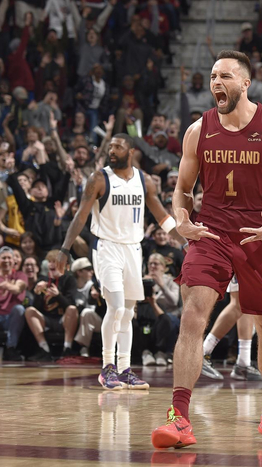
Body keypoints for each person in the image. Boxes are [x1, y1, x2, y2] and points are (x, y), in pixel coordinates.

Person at [151, 50, 262, 449]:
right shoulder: (198, 130)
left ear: (245, 83)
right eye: (214, 76)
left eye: (225, 76)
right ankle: (179, 418)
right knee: (192, 315)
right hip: (211, 235)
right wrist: (181, 217)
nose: (217, 82)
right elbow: (183, 188)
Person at [57, 132, 185, 390]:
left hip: (133, 250)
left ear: (131, 151)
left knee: (127, 313)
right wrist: (65, 249)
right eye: (111, 147)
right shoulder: (98, 179)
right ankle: (107, 367)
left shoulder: (144, 180)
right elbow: (81, 216)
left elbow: (161, 216)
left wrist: (185, 242)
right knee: (115, 307)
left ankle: (125, 370)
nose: (112, 151)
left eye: (118, 147)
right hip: (107, 248)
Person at [200, 275, 262, 381]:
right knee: (239, 302)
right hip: (245, 264)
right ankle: (202, 353)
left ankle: (243, 363)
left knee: (247, 303)